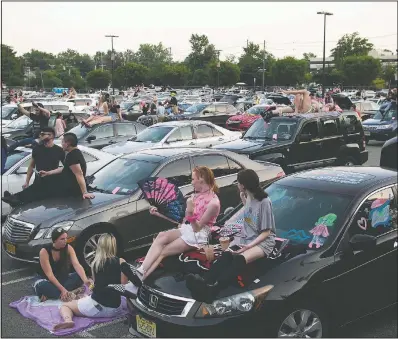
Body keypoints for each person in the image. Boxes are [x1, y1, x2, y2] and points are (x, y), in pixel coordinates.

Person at [186, 169, 276, 301]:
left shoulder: (264, 201)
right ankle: (204, 282)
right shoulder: (248, 197)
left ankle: (215, 289)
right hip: (247, 237)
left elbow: (266, 231)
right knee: (227, 255)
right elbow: (250, 216)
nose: (237, 185)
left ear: (244, 185)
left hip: (263, 241)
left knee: (239, 259)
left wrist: (247, 246)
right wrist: (244, 201)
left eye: (238, 183)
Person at [126, 166, 221, 286]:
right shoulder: (196, 195)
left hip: (199, 235)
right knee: (161, 236)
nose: (191, 182)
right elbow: (182, 222)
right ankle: (140, 271)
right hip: (187, 228)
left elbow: (197, 228)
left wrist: (190, 212)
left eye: (193, 179)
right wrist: (159, 214)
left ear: (201, 179)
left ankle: (139, 279)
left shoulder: (214, 203)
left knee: (163, 251)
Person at [53, 234, 128, 331]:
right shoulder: (121, 261)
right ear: (113, 246)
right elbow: (124, 286)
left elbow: (96, 286)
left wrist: (91, 288)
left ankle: (68, 320)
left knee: (65, 306)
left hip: (97, 307)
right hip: (116, 309)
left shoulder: (95, 263)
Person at [2, 127, 65, 207]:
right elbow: (31, 165)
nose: (42, 136)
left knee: (35, 197)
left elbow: (66, 167)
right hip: (39, 180)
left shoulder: (59, 150)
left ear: (51, 136)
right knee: (32, 196)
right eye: (41, 134)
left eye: (44, 134)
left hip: (51, 181)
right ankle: (14, 199)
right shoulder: (37, 149)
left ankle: (15, 198)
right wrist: (27, 181)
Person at [34, 228, 92, 303]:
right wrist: (63, 290)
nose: (65, 241)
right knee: (43, 286)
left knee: (79, 276)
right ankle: (67, 293)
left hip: (61, 278)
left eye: (66, 238)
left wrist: (85, 280)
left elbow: (77, 265)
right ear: (55, 240)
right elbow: (50, 275)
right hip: (46, 280)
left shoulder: (68, 248)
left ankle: (55, 295)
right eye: (62, 239)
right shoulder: (44, 251)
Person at [40, 133, 95, 200]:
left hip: (73, 193)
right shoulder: (74, 153)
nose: (61, 144)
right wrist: (48, 173)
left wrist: (85, 193)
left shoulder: (73, 155)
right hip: (70, 191)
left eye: (62, 142)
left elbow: (79, 174)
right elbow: (67, 168)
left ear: (68, 143)